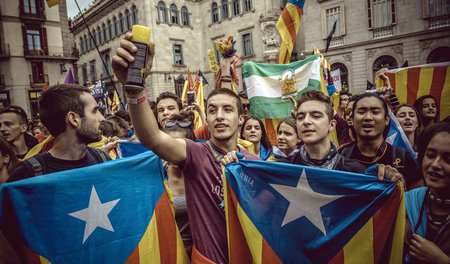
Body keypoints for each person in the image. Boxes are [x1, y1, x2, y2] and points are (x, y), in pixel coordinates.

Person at [112, 33, 259, 263]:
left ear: (242, 118)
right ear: (205, 119)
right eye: (212, 110)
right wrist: (134, 89)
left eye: (228, 110)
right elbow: (152, 138)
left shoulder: (255, 163)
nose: (219, 116)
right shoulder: (194, 153)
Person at [8, 84, 111, 182]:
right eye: (94, 111)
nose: (102, 118)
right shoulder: (27, 174)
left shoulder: (101, 158)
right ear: (74, 119)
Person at [339, 92, 423, 190]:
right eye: (361, 112)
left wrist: (401, 187)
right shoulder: (340, 157)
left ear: (387, 119)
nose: (368, 117)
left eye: (375, 112)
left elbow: (417, 201)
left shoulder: (403, 158)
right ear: (352, 119)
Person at [278, 90, 367, 173]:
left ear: (332, 125)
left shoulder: (355, 172)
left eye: (316, 116)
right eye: (300, 117)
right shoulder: (281, 169)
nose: (306, 121)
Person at [404, 122, 450, 263]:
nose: (435, 165)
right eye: (430, 155)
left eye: (448, 159)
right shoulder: (407, 202)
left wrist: (441, 260)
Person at [163, 111, 194, 256]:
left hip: (199, 254)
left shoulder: (201, 174)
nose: (174, 151)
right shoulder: (157, 177)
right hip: (168, 253)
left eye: (180, 145)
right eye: (169, 145)